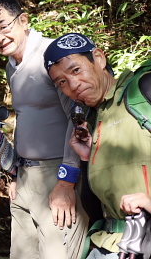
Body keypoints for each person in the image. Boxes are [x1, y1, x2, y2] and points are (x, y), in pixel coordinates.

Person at [0, 0, 88, 259]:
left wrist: (66, 182)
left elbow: (78, 121)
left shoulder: (52, 57)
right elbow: (27, 117)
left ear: (24, 21)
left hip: (58, 175)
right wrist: (16, 173)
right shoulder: (11, 65)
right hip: (25, 177)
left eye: (3, 26)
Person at [44, 32, 151, 258]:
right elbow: (96, 211)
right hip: (110, 244)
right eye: (62, 82)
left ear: (99, 59)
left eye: (76, 70)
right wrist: (85, 160)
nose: (73, 85)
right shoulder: (94, 119)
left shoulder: (143, 91)